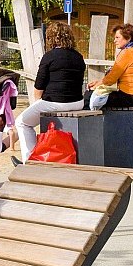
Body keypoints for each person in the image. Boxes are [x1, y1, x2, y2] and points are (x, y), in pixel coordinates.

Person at [15, 22, 85, 163]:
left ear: (51, 38)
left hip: (56, 102)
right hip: (78, 102)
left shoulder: (49, 56)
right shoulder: (78, 56)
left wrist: (37, 103)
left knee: (22, 122)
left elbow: (39, 86)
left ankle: (30, 160)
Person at [86, 23, 133, 109]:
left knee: (90, 95)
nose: (114, 41)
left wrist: (95, 86)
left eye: (117, 37)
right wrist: (99, 83)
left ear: (128, 38)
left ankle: (88, 121)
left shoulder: (127, 53)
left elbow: (111, 79)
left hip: (131, 97)